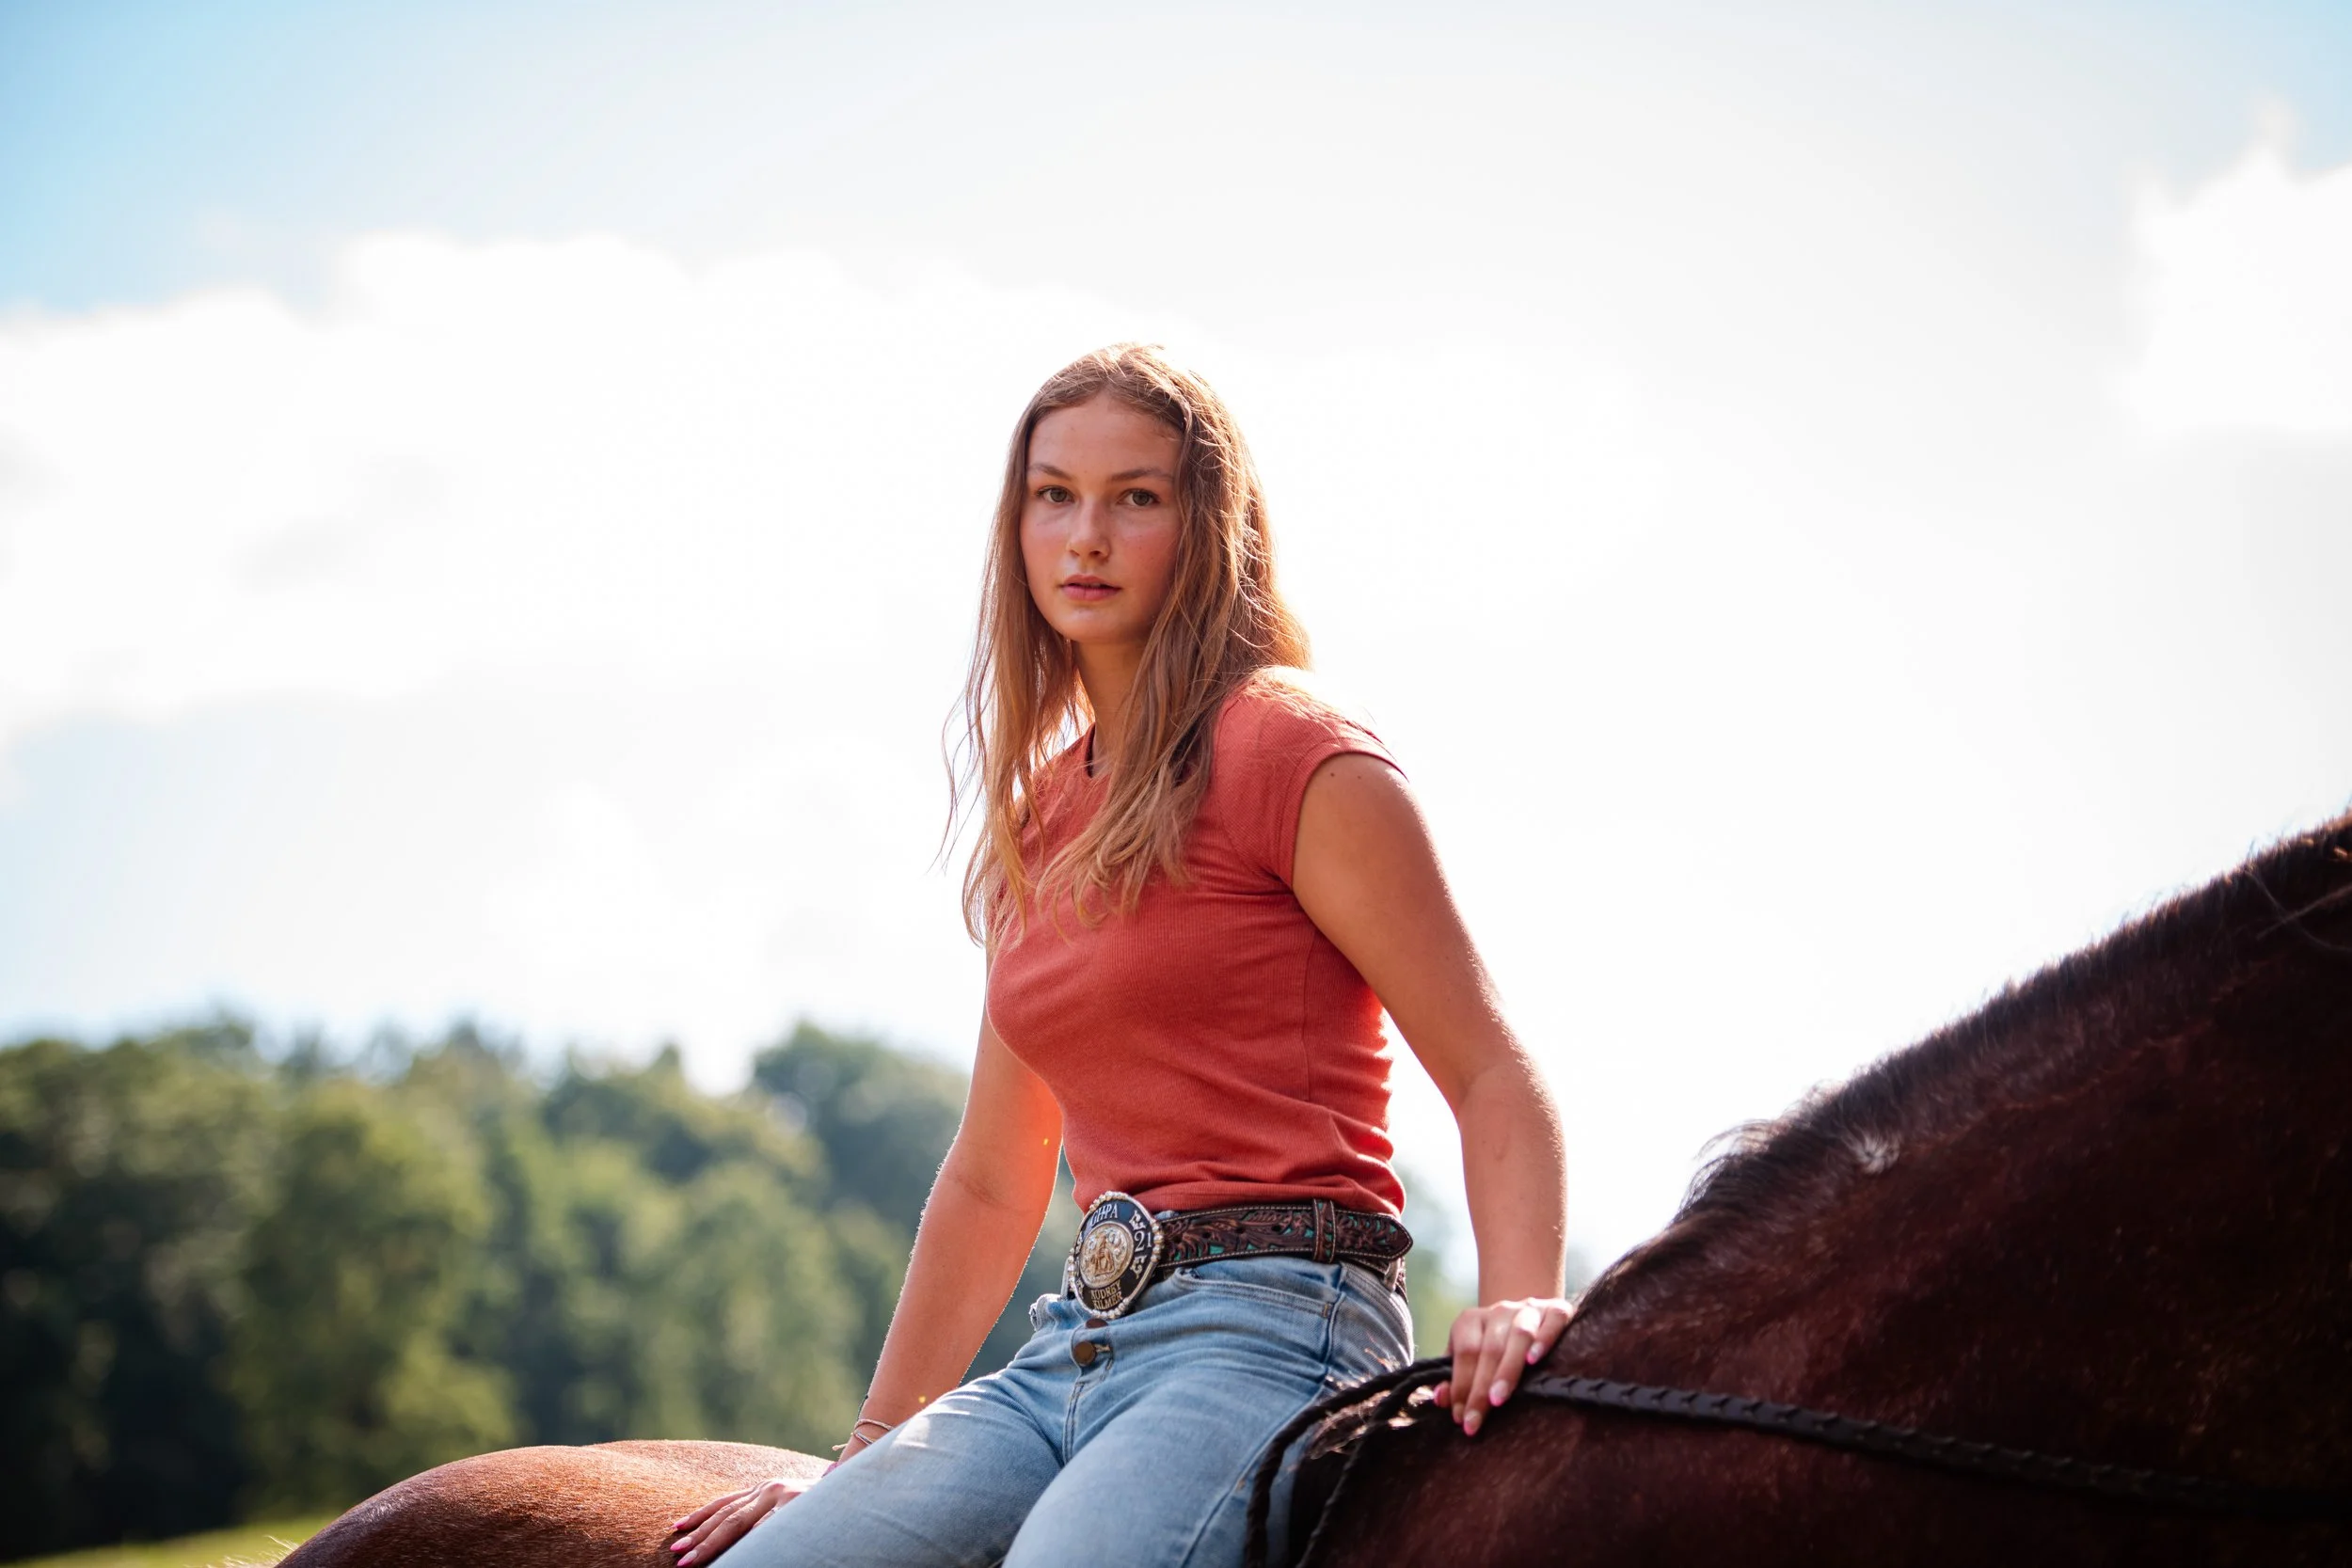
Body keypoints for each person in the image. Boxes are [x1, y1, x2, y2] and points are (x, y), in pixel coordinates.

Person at [671, 344, 1572, 1567]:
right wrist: (869, 1448)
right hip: (1069, 1349)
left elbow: (1492, 1070)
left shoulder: (1294, 753)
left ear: (1208, 527)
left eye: (1135, 497)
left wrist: (1521, 1294)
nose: (1086, 535)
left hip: (1279, 1332)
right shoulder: (1037, 817)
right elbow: (994, 1178)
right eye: (1055, 496)